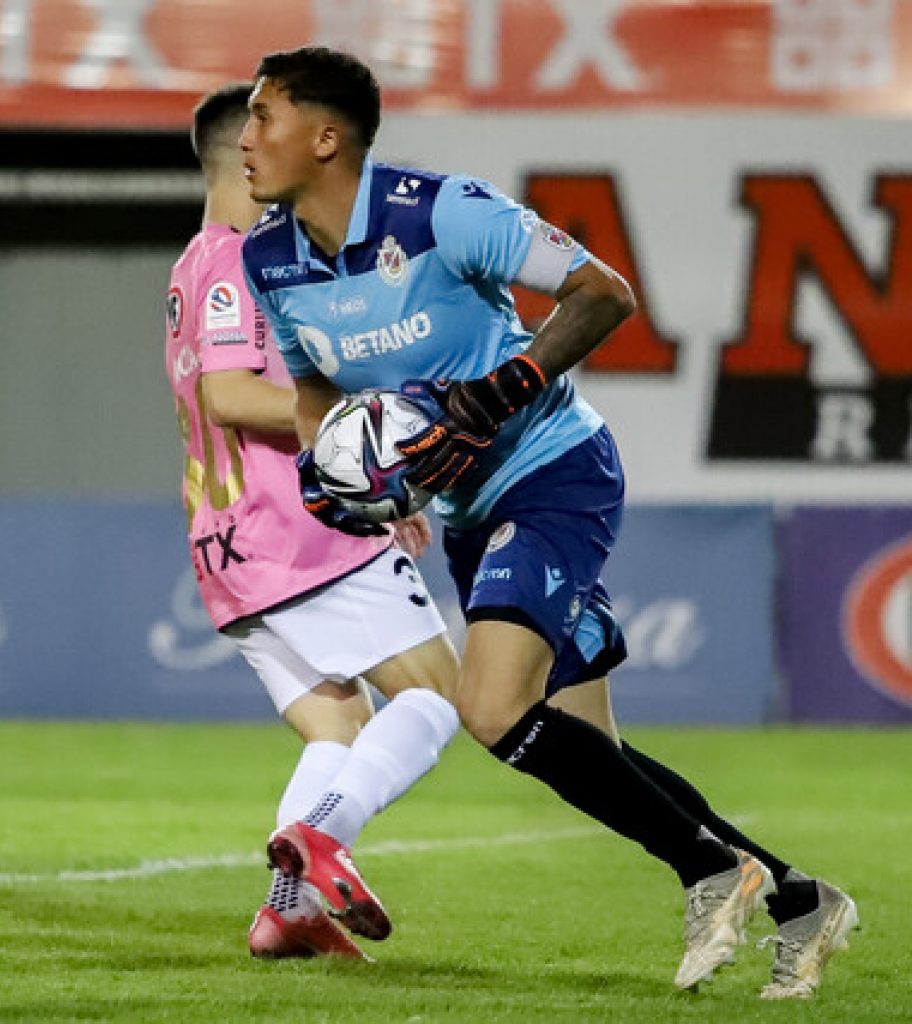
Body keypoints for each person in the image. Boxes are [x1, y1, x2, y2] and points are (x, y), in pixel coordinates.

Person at [237, 47, 858, 998]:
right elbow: (317, 382)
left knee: (489, 710)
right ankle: (798, 899)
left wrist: (498, 394)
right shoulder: (269, 257)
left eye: (262, 117)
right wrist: (335, 477)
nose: (245, 140)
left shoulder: (440, 210)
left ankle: (708, 872)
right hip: (467, 510)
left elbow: (605, 292)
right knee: (587, 750)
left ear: (326, 137)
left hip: (553, 470)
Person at [164, 83, 461, 959]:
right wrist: (362, 433)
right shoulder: (233, 259)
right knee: (440, 695)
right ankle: (328, 834)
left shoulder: (192, 263)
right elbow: (228, 394)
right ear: (241, 156)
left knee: (341, 726)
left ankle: (290, 908)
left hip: (229, 547)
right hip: (298, 530)